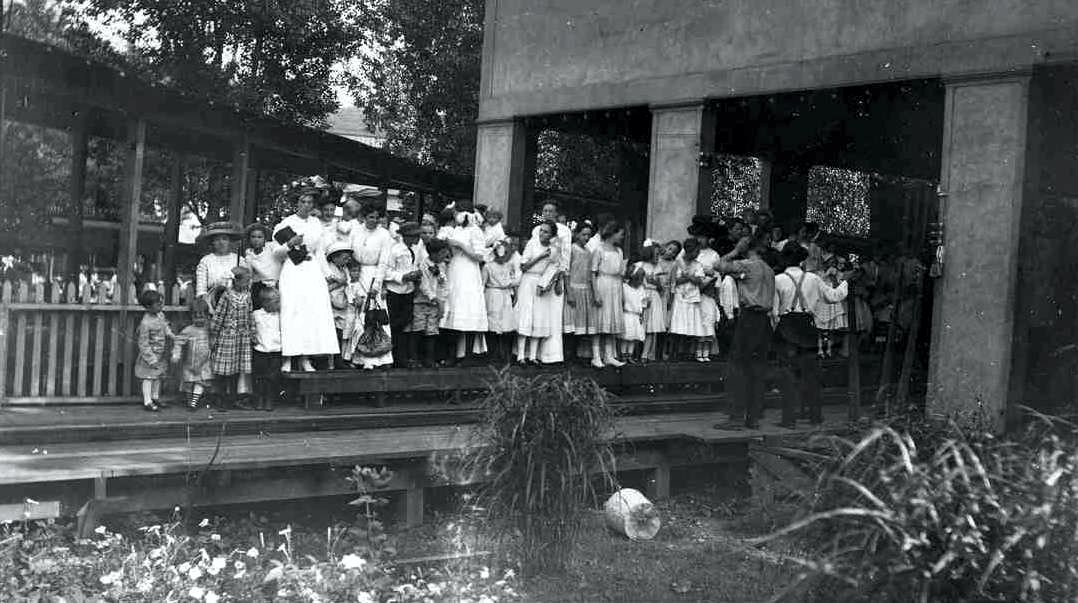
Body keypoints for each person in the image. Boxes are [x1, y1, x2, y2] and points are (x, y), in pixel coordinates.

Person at [772, 243, 850, 426]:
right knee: (812, 375)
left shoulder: (778, 280)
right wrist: (845, 280)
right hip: (807, 327)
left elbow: (774, 312)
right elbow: (834, 296)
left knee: (787, 375)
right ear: (802, 259)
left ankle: (788, 419)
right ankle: (815, 416)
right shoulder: (814, 279)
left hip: (787, 326)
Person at [274, 189, 340, 371]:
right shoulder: (286, 223)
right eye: (303, 201)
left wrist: (328, 274)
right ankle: (287, 358)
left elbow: (319, 251)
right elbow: (276, 253)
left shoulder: (316, 223)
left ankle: (305, 358)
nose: (306, 205)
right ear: (297, 203)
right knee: (291, 311)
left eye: (310, 202)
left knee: (310, 313)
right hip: (292, 270)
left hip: (311, 270)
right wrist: (290, 244)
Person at [715, 236, 776, 429]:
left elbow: (718, 265)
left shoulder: (747, 265)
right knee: (757, 369)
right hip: (764, 321)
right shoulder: (769, 269)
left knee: (737, 368)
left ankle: (735, 418)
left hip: (749, 318)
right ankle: (753, 418)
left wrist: (735, 250)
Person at [347, 203, 395, 370]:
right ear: (364, 217)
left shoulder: (384, 234)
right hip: (357, 273)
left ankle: (381, 357)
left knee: (376, 315)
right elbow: (349, 253)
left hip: (374, 275)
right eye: (370, 217)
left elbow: (384, 261)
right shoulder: (355, 231)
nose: (374, 220)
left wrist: (377, 284)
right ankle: (360, 357)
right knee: (360, 316)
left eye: (377, 217)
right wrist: (352, 276)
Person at [440, 206, 489, 364]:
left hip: (468, 271)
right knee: (453, 308)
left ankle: (467, 355)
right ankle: (452, 354)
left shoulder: (475, 231)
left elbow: (480, 256)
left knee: (467, 309)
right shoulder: (456, 230)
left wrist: (461, 246)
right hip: (454, 269)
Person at [515, 220, 561, 364]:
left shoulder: (554, 250)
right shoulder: (532, 244)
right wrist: (541, 256)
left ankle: (533, 356)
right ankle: (521, 355)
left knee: (539, 317)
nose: (542, 233)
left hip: (541, 283)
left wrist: (546, 284)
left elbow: (553, 268)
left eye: (546, 231)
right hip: (528, 282)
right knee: (526, 316)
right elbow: (523, 266)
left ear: (552, 235)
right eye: (541, 230)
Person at [210, 265, 254, 411]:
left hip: (242, 337)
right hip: (228, 336)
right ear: (237, 281)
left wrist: (252, 332)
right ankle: (221, 399)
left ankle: (233, 399)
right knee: (224, 370)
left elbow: (250, 315)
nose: (247, 283)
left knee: (236, 370)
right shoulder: (227, 296)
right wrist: (214, 332)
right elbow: (219, 315)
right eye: (245, 281)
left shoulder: (247, 296)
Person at [384, 222, 424, 367]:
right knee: (394, 324)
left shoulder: (415, 250)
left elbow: (416, 265)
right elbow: (386, 271)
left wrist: (416, 274)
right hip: (395, 291)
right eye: (414, 236)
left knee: (405, 323)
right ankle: (393, 357)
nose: (417, 238)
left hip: (409, 291)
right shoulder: (395, 250)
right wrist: (403, 277)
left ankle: (402, 357)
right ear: (406, 236)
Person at [407, 238, 450, 367]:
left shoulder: (442, 266)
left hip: (435, 304)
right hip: (421, 302)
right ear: (434, 253)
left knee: (432, 331)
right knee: (418, 329)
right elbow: (423, 286)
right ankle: (414, 358)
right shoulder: (424, 265)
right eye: (442, 253)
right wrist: (434, 298)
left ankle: (429, 359)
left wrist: (441, 299)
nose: (444, 256)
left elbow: (443, 284)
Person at [590, 222, 627, 368]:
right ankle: (596, 356)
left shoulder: (619, 251)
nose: (622, 237)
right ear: (613, 233)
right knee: (600, 321)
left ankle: (609, 356)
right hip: (603, 284)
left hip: (615, 286)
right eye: (620, 234)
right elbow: (593, 273)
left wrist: (622, 294)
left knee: (611, 321)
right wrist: (596, 293)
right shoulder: (599, 249)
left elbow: (621, 274)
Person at [670, 238, 710, 362]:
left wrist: (688, 277)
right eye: (696, 251)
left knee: (690, 326)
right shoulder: (678, 262)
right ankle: (674, 353)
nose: (698, 253)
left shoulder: (697, 264)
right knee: (678, 326)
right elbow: (674, 281)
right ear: (690, 251)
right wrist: (689, 277)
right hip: (680, 297)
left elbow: (699, 281)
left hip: (692, 298)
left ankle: (686, 353)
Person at [563, 223, 597, 361]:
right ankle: (566, 355)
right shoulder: (572, 249)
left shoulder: (588, 252)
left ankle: (576, 355)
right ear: (576, 234)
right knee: (570, 324)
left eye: (588, 235)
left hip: (584, 290)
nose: (586, 237)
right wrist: (569, 291)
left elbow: (588, 273)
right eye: (583, 234)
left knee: (581, 326)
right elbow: (567, 271)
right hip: (573, 289)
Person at [135, 289, 172, 412]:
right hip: (150, 356)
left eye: (161, 303)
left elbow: (165, 326)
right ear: (148, 307)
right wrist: (151, 359)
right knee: (148, 377)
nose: (161, 305)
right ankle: (147, 401)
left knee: (158, 376)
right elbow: (143, 343)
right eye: (158, 304)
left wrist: (170, 334)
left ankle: (155, 397)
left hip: (160, 353)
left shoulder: (160, 315)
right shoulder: (145, 323)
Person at [483, 239, 519, 364]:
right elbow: (483, 284)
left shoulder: (509, 265)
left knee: (506, 324)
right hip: (493, 295)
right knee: (493, 323)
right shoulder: (488, 266)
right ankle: (493, 354)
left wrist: (516, 294)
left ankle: (505, 354)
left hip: (505, 295)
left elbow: (513, 279)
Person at [194, 221, 242, 316]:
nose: (221, 243)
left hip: (235, 303)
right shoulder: (206, 261)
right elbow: (201, 287)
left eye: (224, 239)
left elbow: (246, 281)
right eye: (217, 240)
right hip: (212, 303)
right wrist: (207, 303)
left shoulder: (239, 260)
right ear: (212, 243)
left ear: (229, 242)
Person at [173, 304, 213, 412]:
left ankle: (194, 404)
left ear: (207, 316)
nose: (199, 320)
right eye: (196, 317)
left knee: (201, 382)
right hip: (191, 362)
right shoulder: (188, 330)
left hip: (204, 362)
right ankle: (190, 401)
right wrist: (176, 354)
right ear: (191, 317)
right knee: (189, 382)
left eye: (202, 317)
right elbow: (179, 341)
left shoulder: (209, 328)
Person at [251, 287, 283, 411]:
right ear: (265, 302)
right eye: (276, 302)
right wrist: (252, 336)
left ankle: (270, 400)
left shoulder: (280, 316)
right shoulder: (256, 314)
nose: (278, 304)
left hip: (275, 351)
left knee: (272, 377)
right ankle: (259, 400)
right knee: (259, 376)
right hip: (260, 350)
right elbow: (252, 328)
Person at [634, 241, 666, 363]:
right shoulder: (639, 265)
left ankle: (645, 354)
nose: (658, 257)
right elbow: (631, 282)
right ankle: (633, 353)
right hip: (641, 295)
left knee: (652, 327)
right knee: (638, 324)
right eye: (656, 254)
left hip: (654, 297)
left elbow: (662, 288)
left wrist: (656, 282)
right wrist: (642, 279)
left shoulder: (659, 267)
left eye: (659, 254)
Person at [243, 223, 287, 309]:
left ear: (265, 239)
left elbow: (282, 252)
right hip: (260, 287)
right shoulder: (249, 254)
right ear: (249, 239)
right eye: (253, 237)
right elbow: (250, 275)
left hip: (277, 284)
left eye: (260, 237)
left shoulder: (271, 247)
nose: (256, 240)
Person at [325, 241, 355, 364]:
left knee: (341, 332)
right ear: (334, 257)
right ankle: (330, 361)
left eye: (348, 258)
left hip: (342, 304)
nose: (347, 261)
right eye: (344, 258)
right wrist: (339, 283)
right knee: (331, 332)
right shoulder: (327, 270)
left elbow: (347, 285)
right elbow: (322, 289)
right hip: (330, 305)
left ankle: (339, 359)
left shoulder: (344, 269)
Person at [620, 266, 647, 363]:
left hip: (636, 316)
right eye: (639, 279)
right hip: (627, 315)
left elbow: (643, 304)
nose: (641, 282)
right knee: (626, 337)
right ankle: (623, 354)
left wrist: (642, 315)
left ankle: (630, 355)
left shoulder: (641, 289)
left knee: (633, 337)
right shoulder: (624, 287)